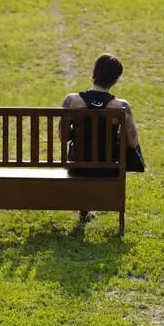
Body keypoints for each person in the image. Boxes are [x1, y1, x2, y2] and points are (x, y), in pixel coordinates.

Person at [61, 53, 140, 225]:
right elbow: (132, 143)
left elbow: (63, 136)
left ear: (94, 72)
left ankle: (84, 207)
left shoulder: (71, 101)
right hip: (108, 168)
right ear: (115, 80)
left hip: (77, 166)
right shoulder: (121, 106)